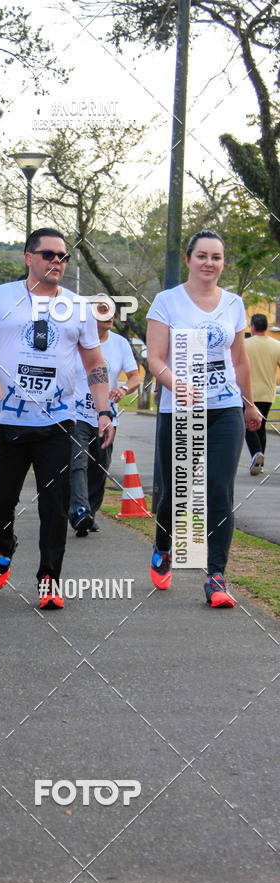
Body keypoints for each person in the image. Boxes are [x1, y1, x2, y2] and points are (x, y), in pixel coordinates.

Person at [0, 227, 113, 610]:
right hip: (7, 420)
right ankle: (3, 544)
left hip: (58, 422)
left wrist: (104, 411)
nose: (57, 262)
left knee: (54, 505)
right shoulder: (1, 298)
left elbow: (94, 363)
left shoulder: (78, 307)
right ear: (29, 257)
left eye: (63, 256)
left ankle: (49, 579)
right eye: (49, 255)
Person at [146, 229, 262, 609]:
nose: (210, 263)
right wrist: (174, 383)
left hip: (225, 406)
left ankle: (215, 576)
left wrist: (248, 403)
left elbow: (239, 360)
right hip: (180, 408)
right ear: (190, 258)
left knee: (218, 489)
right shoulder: (167, 302)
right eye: (202, 256)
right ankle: (164, 546)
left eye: (217, 257)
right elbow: (155, 359)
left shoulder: (233, 304)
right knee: (177, 495)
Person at [69, 299, 140, 535]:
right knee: (78, 462)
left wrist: (124, 389)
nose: (109, 314)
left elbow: (134, 377)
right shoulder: (76, 340)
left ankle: (90, 511)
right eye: (102, 309)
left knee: (99, 467)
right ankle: (80, 511)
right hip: (77, 414)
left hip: (107, 418)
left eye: (111, 310)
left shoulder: (120, 344)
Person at [244, 313, 280, 475]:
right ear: (266, 327)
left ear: (252, 326)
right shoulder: (276, 345)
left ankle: (256, 454)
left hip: (247, 394)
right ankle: (259, 460)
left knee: (248, 426)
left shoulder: (244, 345)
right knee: (261, 426)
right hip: (267, 393)